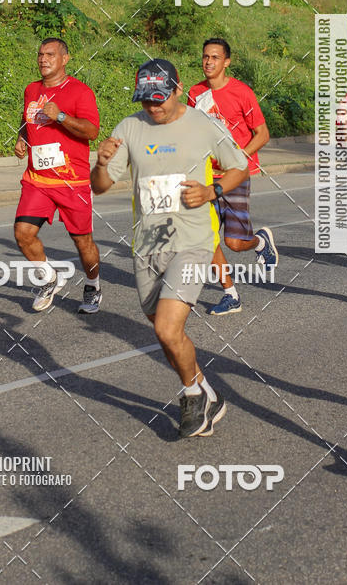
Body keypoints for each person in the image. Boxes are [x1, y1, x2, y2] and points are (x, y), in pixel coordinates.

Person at [91, 58, 249, 438]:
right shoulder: (129, 127)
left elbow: (239, 166)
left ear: (178, 89)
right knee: (165, 333)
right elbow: (100, 186)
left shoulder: (203, 124)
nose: (153, 107)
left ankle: (191, 395)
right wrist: (100, 163)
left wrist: (211, 191)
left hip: (193, 242)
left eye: (159, 98)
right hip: (147, 244)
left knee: (166, 327)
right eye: (146, 100)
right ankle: (209, 394)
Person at [188, 38, 278, 316]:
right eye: (205, 56)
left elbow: (262, 134)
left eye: (215, 57)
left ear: (226, 62)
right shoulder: (195, 93)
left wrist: (237, 157)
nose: (208, 62)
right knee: (207, 238)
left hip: (235, 174)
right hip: (206, 175)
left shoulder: (241, 92)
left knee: (235, 244)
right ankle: (231, 295)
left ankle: (260, 242)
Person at [14, 38, 102, 313]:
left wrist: (61, 117)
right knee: (23, 234)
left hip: (72, 181)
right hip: (37, 180)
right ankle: (50, 278)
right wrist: (22, 137)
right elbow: (26, 117)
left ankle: (93, 285)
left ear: (65, 59)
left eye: (50, 55)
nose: (43, 59)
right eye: (41, 54)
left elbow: (92, 131)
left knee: (82, 242)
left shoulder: (79, 91)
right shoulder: (31, 89)